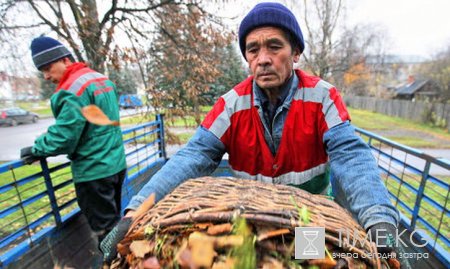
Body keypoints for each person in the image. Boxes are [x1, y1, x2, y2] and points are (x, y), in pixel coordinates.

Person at [101, 2, 409, 267]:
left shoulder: (322, 97)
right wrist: (135, 211)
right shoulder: (231, 104)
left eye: (275, 46)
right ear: (247, 58)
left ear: (296, 52)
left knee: (311, 264)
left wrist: (379, 221)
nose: (263, 58)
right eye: (253, 49)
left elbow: (351, 156)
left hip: (311, 221)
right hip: (249, 217)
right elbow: (194, 155)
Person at [20, 36, 127, 244]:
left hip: (94, 172)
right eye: (42, 71)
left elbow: (64, 136)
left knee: (106, 235)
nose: (46, 76)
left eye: (48, 68)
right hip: (116, 165)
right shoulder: (100, 79)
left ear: (65, 60)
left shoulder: (71, 90)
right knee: (115, 224)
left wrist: (36, 148)